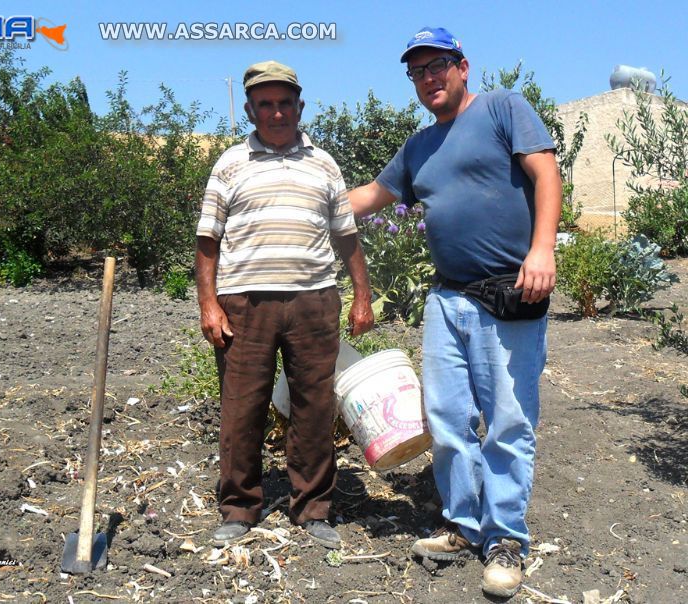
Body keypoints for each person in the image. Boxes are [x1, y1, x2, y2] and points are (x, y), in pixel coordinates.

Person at [349, 27, 561, 598]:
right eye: (417, 71)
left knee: (510, 421)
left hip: (509, 292)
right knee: (446, 417)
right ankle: (463, 525)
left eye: (437, 65)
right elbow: (369, 197)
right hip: (447, 298)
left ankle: (507, 538)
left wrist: (542, 248)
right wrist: (300, 197)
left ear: (462, 66)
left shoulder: (502, 108)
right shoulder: (418, 147)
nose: (428, 78)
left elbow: (545, 171)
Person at [195, 60, 374, 550]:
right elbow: (207, 241)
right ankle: (239, 507)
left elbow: (347, 236)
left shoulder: (325, 164)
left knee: (315, 406)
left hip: (314, 302)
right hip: (244, 305)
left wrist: (362, 296)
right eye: (265, 104)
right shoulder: (229, 164)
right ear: (250, 110)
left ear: (300, 106)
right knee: (241, 408)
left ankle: (313, 509)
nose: (276, 112)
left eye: (285, 103)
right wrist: (209, 304)